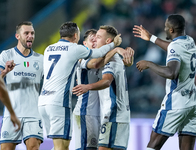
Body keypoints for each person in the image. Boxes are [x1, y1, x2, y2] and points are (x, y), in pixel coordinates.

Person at [38, 22, 122, 150]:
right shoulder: (76, 50)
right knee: (61, 146)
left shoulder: (48, 48)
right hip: (60, 103)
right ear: (76, 36)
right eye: (91, 40)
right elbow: (96, 59)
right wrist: (114, 45)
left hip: (43, 101)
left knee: (61, 145)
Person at [133, 14, 196, 150]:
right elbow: (173, 47)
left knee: (153, 145)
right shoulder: (190, 41)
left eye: (165, 27)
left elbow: (171, 73)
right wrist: (151, 37)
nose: (164, 29)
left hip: (176, 102)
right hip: (193, 101)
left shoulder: (176, 47)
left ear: (171, 30)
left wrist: (149, 64)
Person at [72, 25, 132, 150]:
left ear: (108, 41)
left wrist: (87, 86)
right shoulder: (84, 57)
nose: (95, 41)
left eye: (98, 38)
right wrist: (117, 49)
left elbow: (106, 81)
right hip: (88, 113)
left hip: (113, 113)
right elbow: (96, 64)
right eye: (92, 39)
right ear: (84, 43)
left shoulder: (110, 59)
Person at [0, 21, 44, 150]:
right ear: (17, 36)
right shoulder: (6, 55)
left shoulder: (41, 59)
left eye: (32, 33)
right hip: (12, 112)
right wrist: (5, 71)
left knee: (33, 147)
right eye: (26, 33)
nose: (30, 36)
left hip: (33, 113)